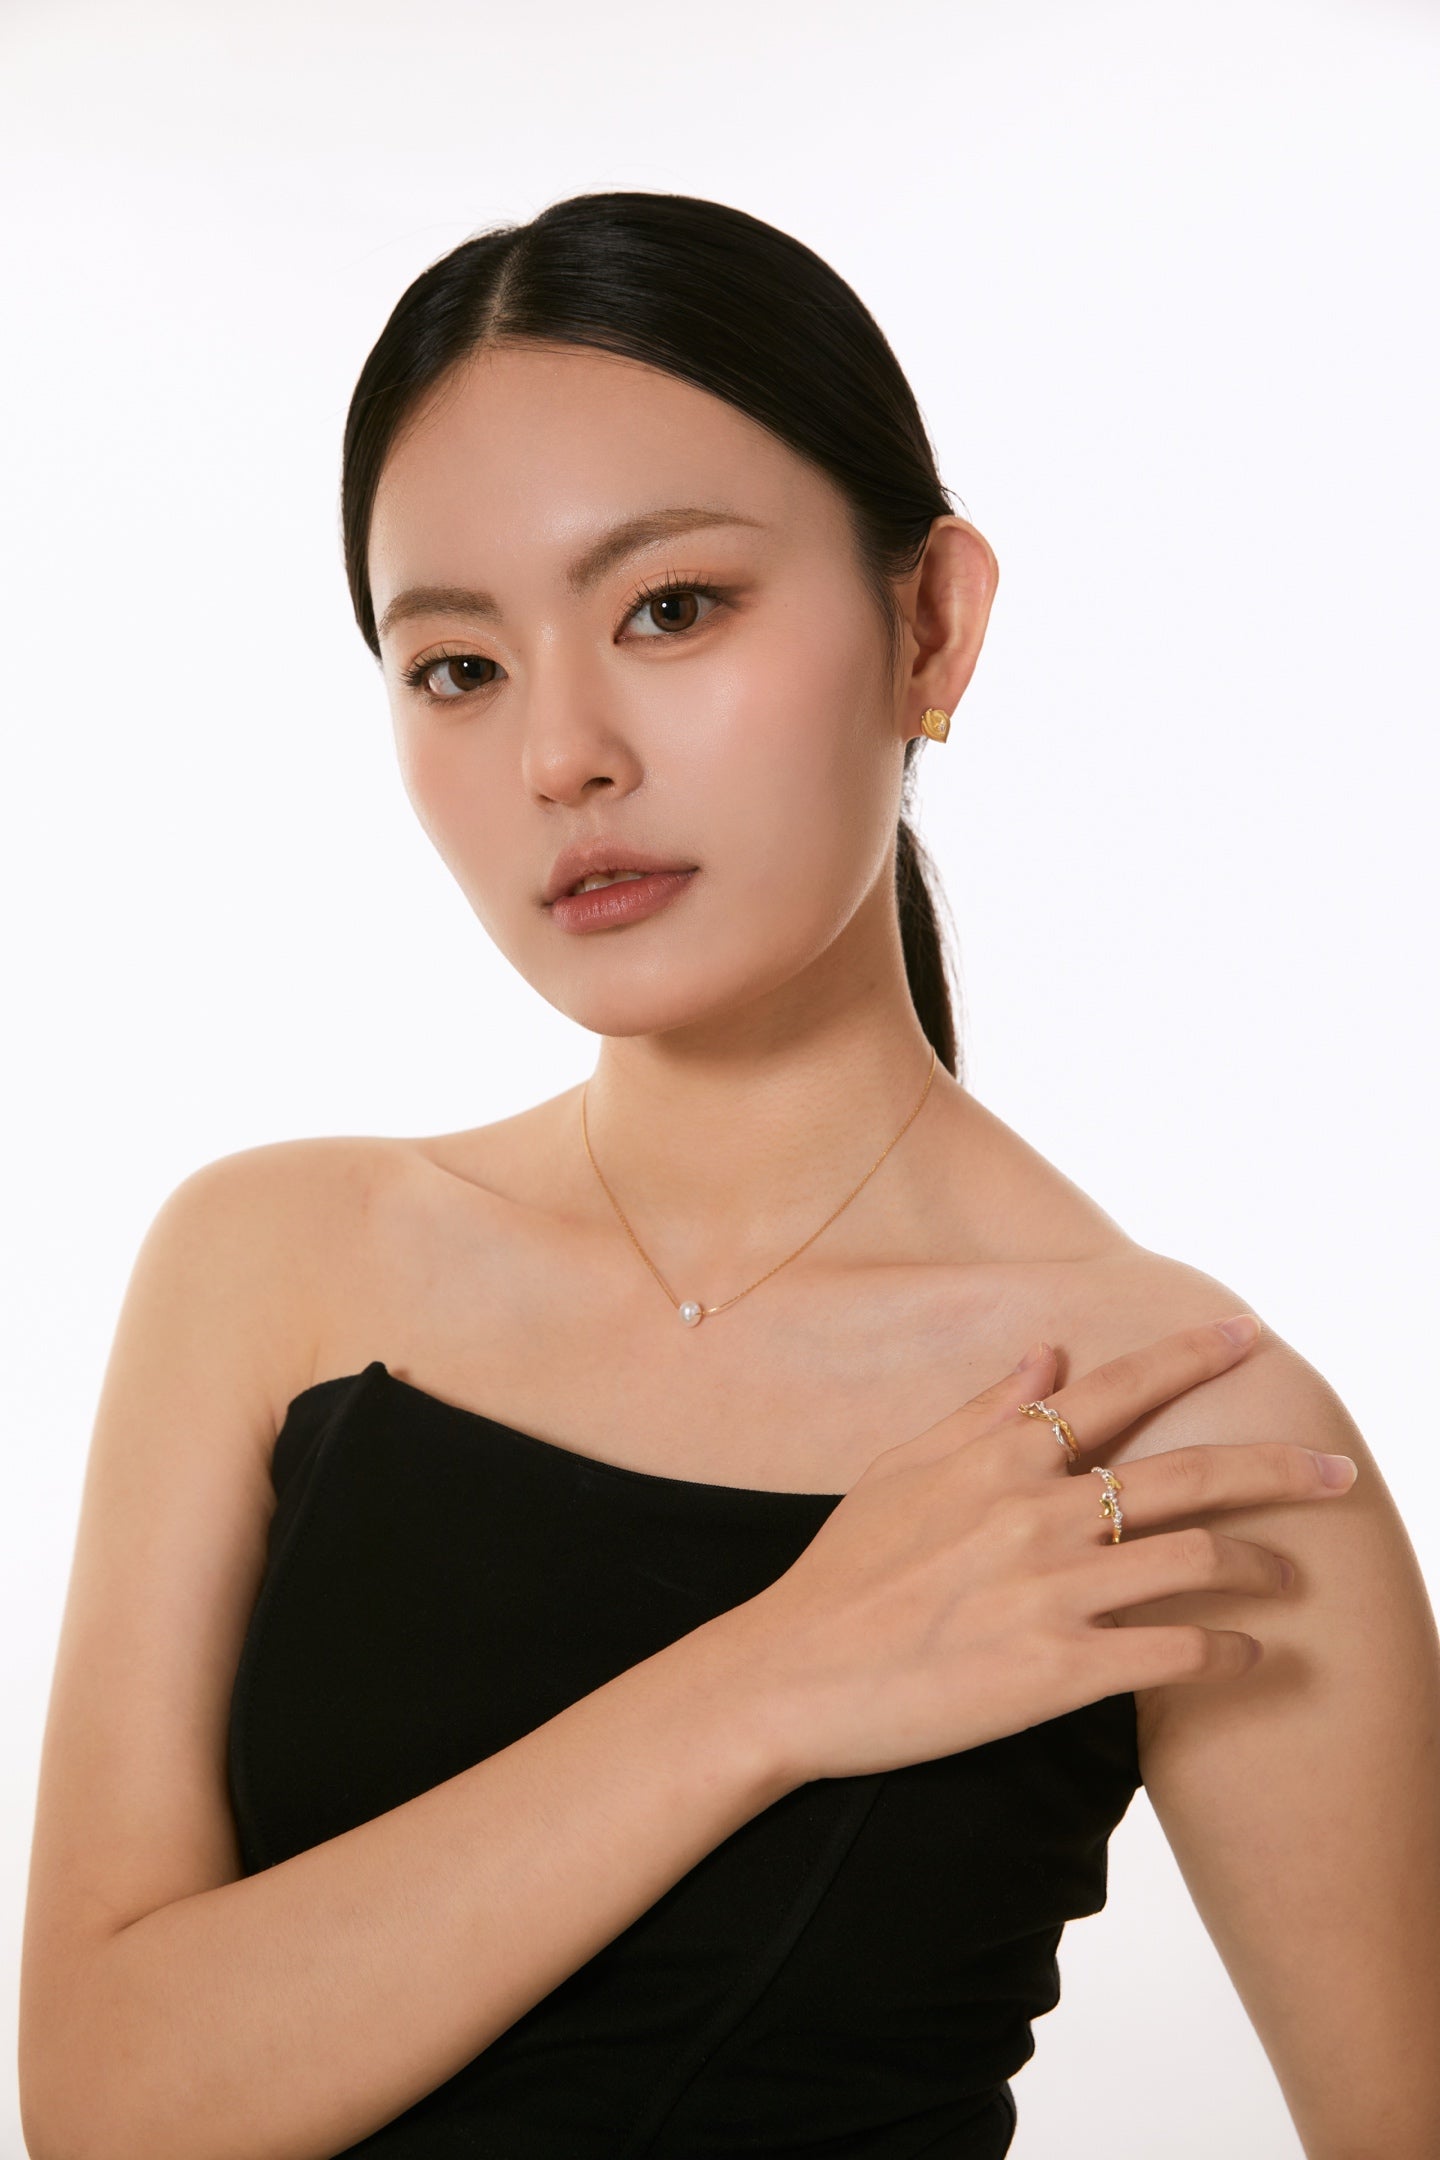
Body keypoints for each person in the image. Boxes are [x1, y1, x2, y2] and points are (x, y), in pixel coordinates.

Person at [18, 190, 1439, 2160]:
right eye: (458, 668)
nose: (563, 756)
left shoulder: (1178, 1427)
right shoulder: (272, 1263)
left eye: (671, 608)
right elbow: (106, 2102)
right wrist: (776, 1676)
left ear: (931, 623)